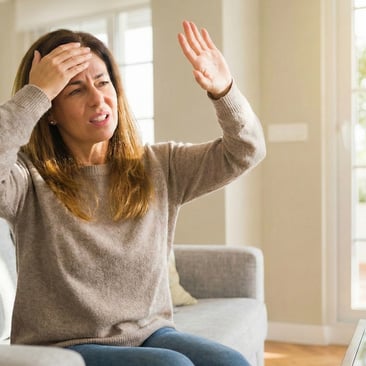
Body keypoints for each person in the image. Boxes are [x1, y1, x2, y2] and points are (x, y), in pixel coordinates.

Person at [0, 20, 265, 366]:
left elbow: (246, 150)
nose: (98, 99)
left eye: (102, 82)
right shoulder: (28, 179)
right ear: (50, 110)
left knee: (228, 362)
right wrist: (34, 95)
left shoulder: (159, 164)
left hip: (151, 333)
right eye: (75, 90)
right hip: (63, 345)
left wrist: (224, 90)